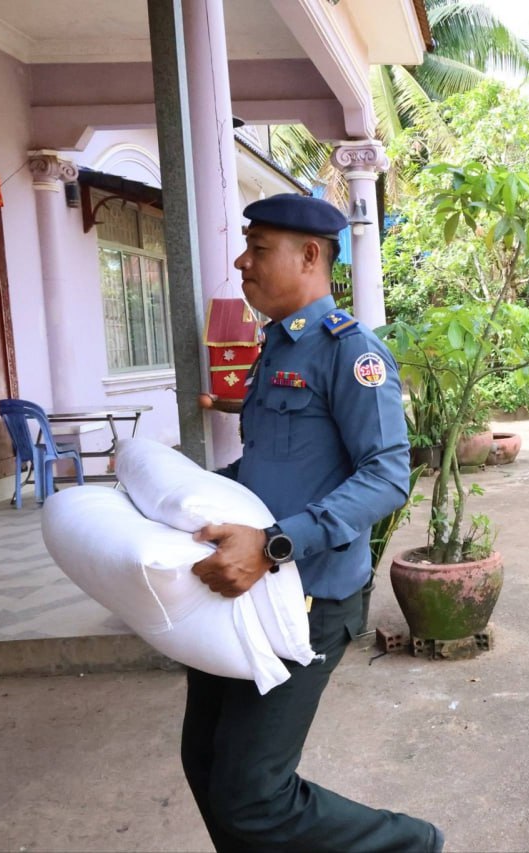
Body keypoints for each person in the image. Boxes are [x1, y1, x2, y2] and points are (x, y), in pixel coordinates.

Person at [183, 193, 443, 852]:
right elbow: (268, 465)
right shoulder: (275, 347)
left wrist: (275, 544)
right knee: (208, 763)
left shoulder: (349, 352)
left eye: (258, 248)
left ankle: (412, 844)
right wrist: (188, 495)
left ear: (307, 256)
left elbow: (387, 476)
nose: (242, 262)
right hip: (244, 589)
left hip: (306, 595)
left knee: (252, 795)